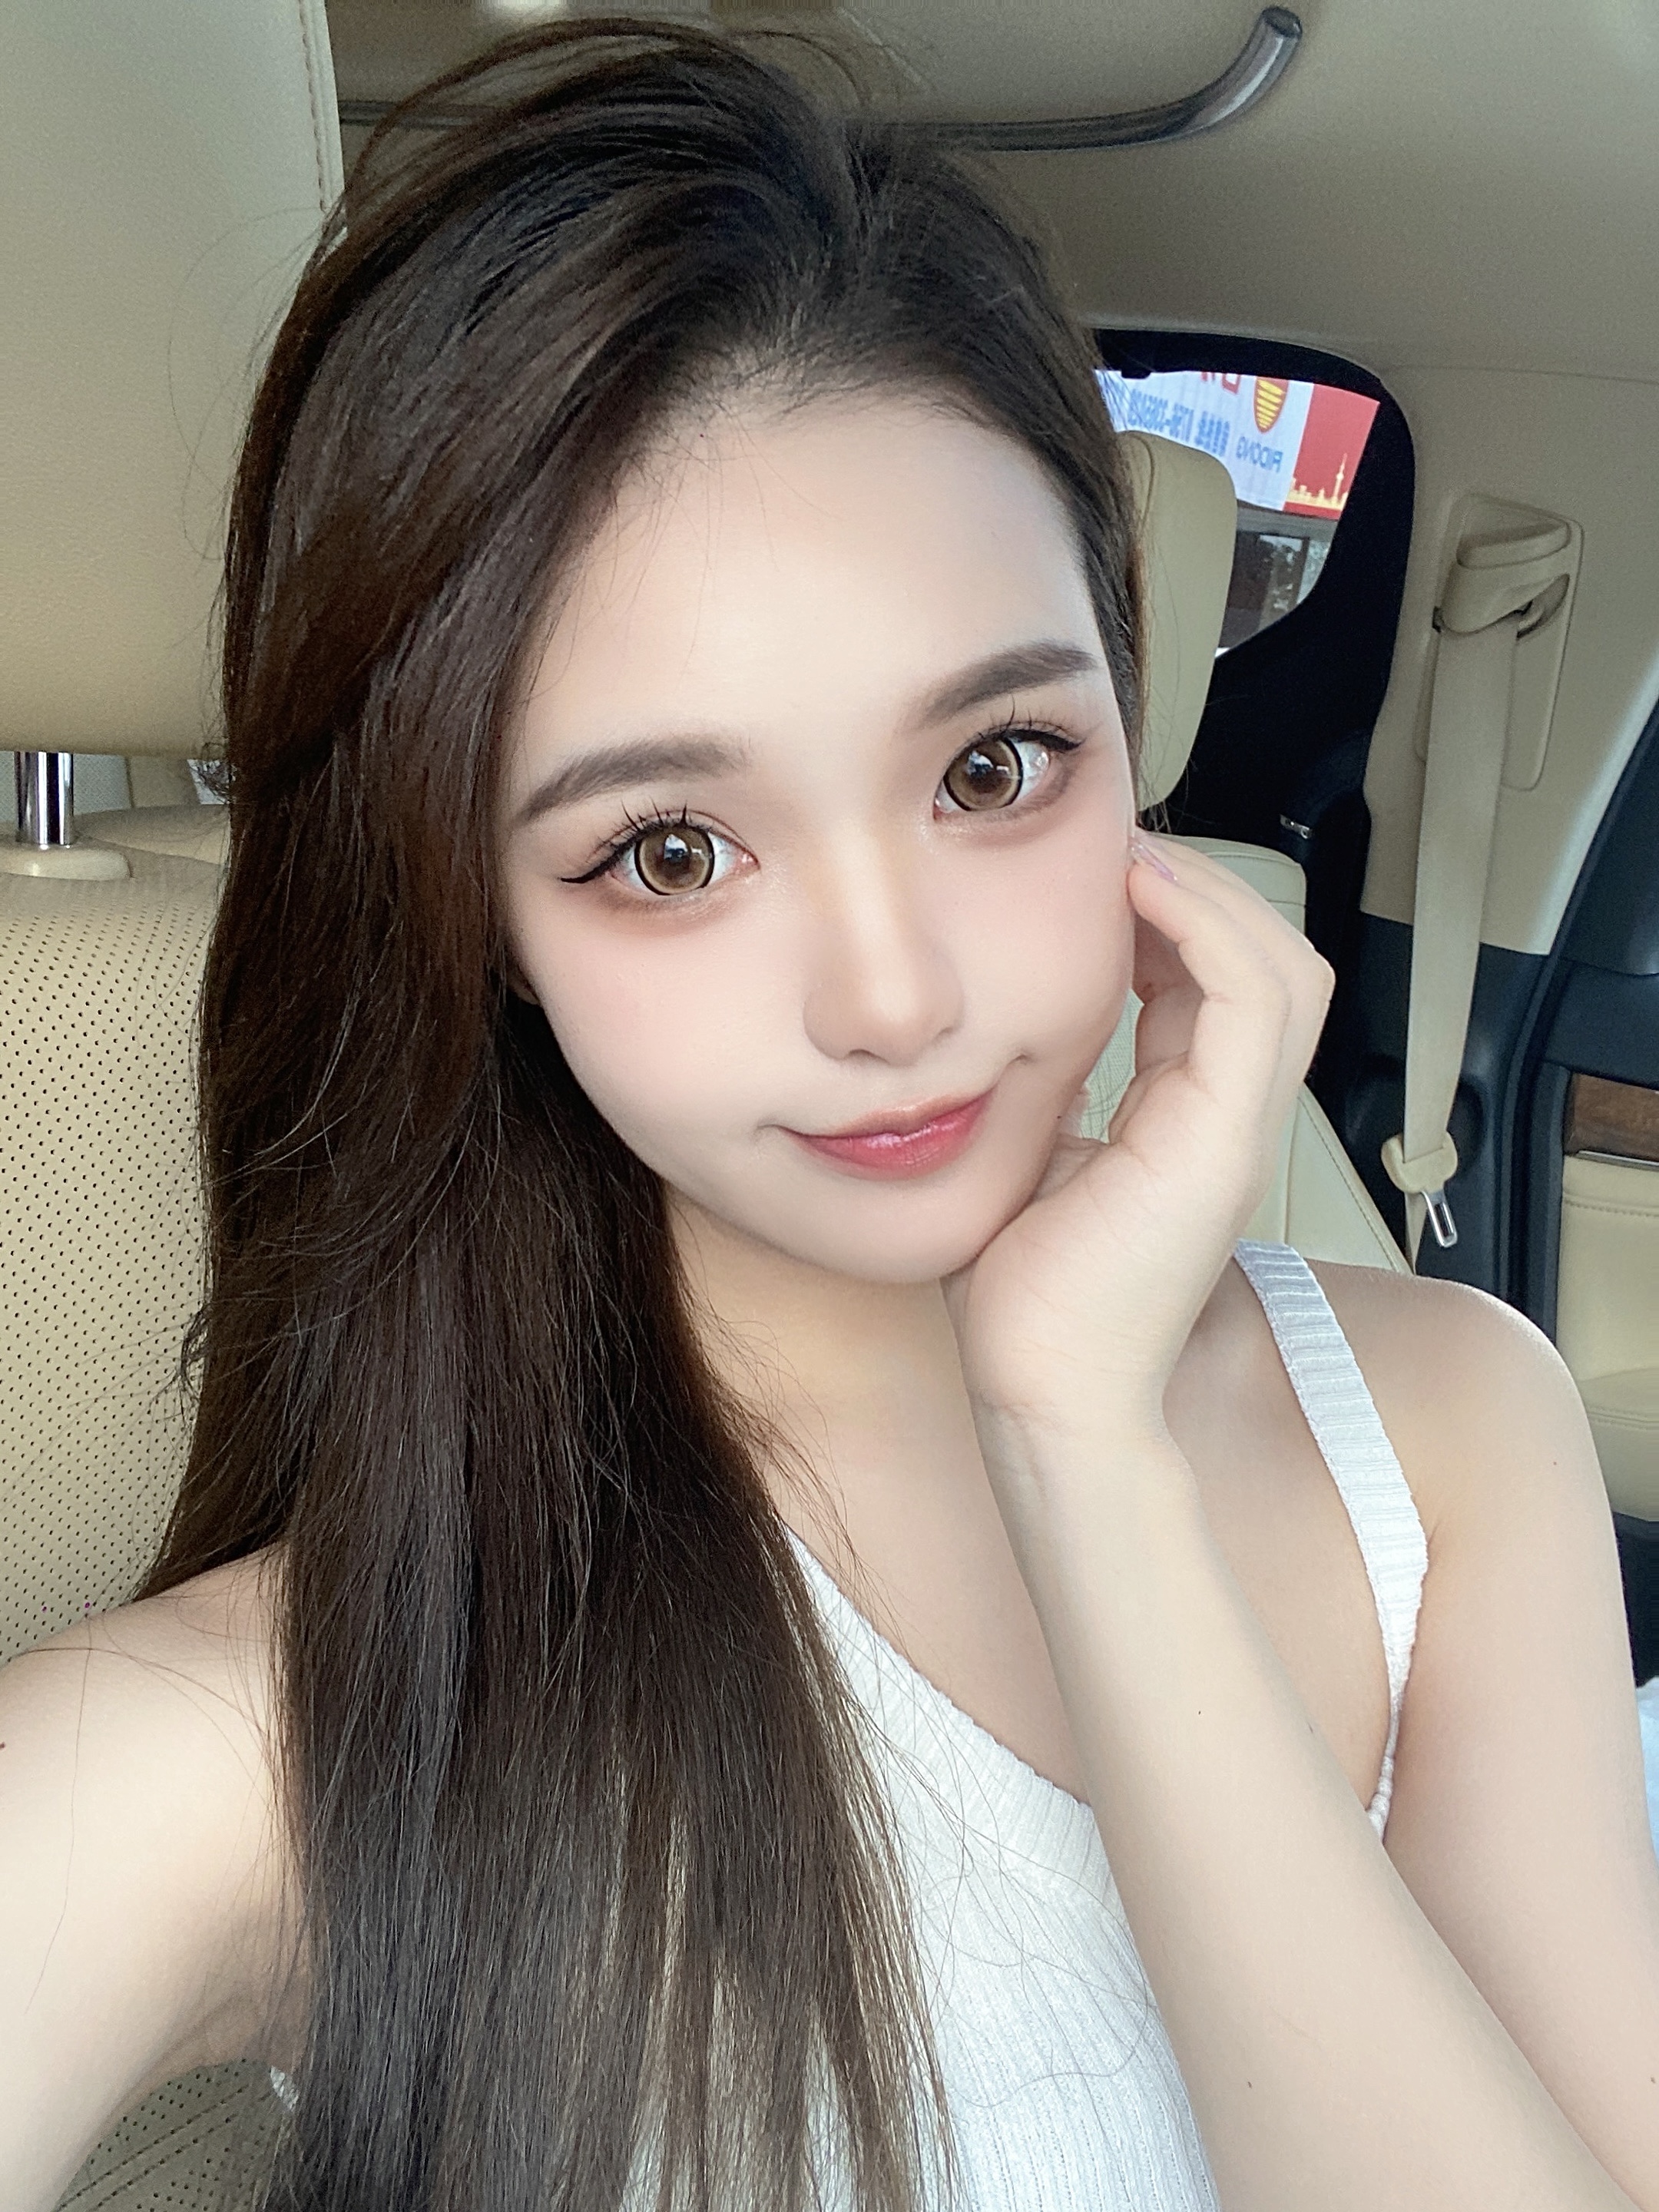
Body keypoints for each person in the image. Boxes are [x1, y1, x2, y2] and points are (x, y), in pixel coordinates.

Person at [3, 20, 1657, 2212]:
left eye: (995, 768)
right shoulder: (294, 1724)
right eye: (670, 851)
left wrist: (1085, 1449)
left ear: (1130, 711)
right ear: (483, 919)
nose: (895, 1000)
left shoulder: (1452, 1431)